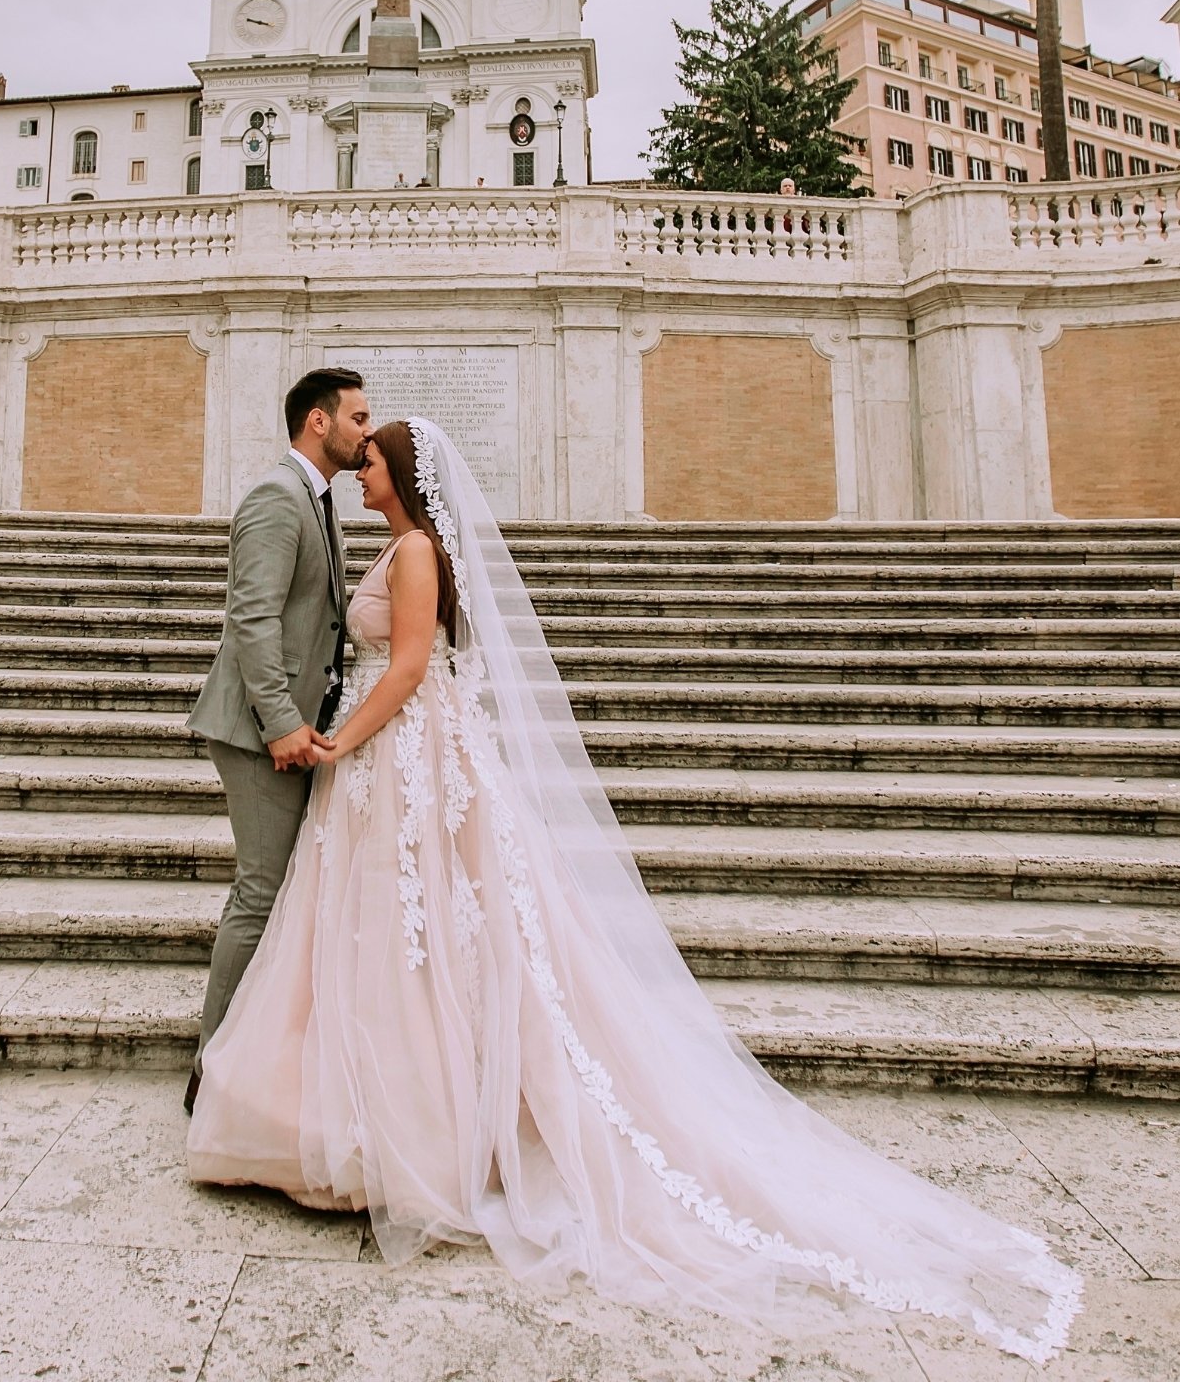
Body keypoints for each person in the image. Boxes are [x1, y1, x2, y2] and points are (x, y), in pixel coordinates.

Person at [189, 418, 1081, 1365]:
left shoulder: (412, 550)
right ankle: (370, 1117)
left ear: (401, 475)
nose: (356, 470)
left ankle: (408, 1131)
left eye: (368, 462)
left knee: (418, 939)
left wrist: (339, 740)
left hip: (400, 758)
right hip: (396, 767)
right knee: (402, 940)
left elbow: (408, 667)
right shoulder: (408, 543)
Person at [182, 366, 372, 1115]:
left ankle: (254, 1056)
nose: (366, 428)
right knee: (258, 894)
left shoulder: (317, 500)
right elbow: (250, 618)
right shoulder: (275, 496)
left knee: (278, 892)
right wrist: (282, 723)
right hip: (260, 731)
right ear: (318, 423)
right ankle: (211, 1068)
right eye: (357, 416)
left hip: (298, 724)